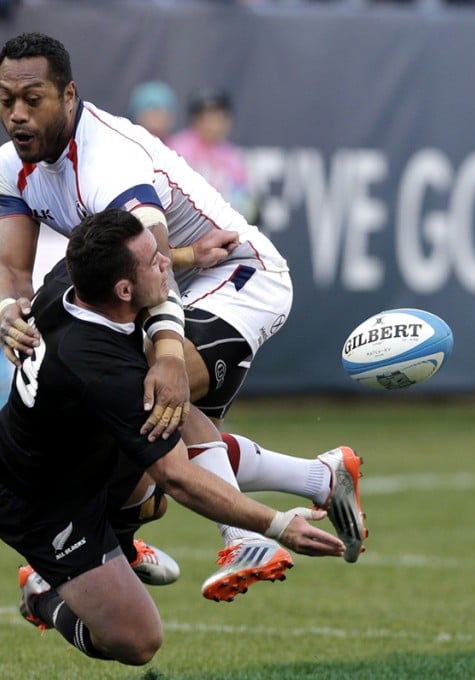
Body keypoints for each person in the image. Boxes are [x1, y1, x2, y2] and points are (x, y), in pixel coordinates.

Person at [0, 32, 367, 602]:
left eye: (32, 98)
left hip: (240, 278)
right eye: (5, 101)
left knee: (145, 398)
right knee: (133, 421)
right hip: (171, 276)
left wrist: (167, 352)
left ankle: (238, 536)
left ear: (69, 95)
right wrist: (7, 312)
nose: (17, 115)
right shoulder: (12, 167)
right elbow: (13, 272)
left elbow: (154, 271)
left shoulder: (109, 163)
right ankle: (320, 477)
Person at [1, 208, 345, 665]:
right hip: (41, 505)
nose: (166, 264)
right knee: (138, 642)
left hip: (78, 453)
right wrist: (277, 525)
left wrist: (188, 256)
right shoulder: (102, 369)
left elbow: (153, 283)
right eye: (154, 262)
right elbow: (179, 477)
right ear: (124, 290)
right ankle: (42, 594)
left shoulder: (75, 277)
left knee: (173, 430)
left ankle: (130, 543)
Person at [168, 86, 259, 223]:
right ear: (195, 120)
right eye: (207, 117)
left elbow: (247, 202)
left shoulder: (233, 156)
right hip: (184, 229)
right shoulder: (177, 148)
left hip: (224, 230)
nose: (213, 125)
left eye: (219, 118)